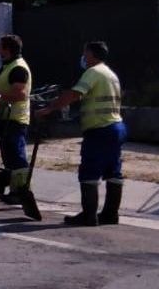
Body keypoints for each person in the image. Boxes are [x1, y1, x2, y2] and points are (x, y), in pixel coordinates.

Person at [35, 41, 125, 226]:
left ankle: (89, 215)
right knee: (113, 171)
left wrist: (50, 108)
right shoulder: (110, 74)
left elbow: (75, 94)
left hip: (99, 129)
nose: (83, 57)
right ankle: (110, 214)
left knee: (89, 171)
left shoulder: (93, 72)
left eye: (85, 53)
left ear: (91, 54)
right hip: (115, 127)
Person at [0, 34, 41, 220]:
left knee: (17, 157)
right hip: (6, 118)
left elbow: (20, 95)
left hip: (15, 118)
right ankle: (14, 191)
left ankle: (21, 191)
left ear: (7, 49)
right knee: (9, 157)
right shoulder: (9, 66)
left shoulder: (18, 68)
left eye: (0, 47)